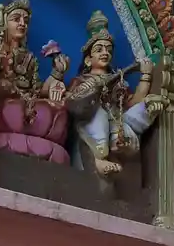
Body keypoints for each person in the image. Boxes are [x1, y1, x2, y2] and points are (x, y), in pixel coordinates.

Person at [65, 11, 161, 177]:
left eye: (108, 50)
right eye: (99, 49)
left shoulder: (119, 82)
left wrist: (146, 75)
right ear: (88, 60)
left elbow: (131, 103)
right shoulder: (81, 81)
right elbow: (73, 104)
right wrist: (91, 91)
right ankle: (98, 160)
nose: (105, 53)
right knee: (101, 116)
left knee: (131, 116)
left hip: (116, 123)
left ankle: (148, 112)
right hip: (91, 125)